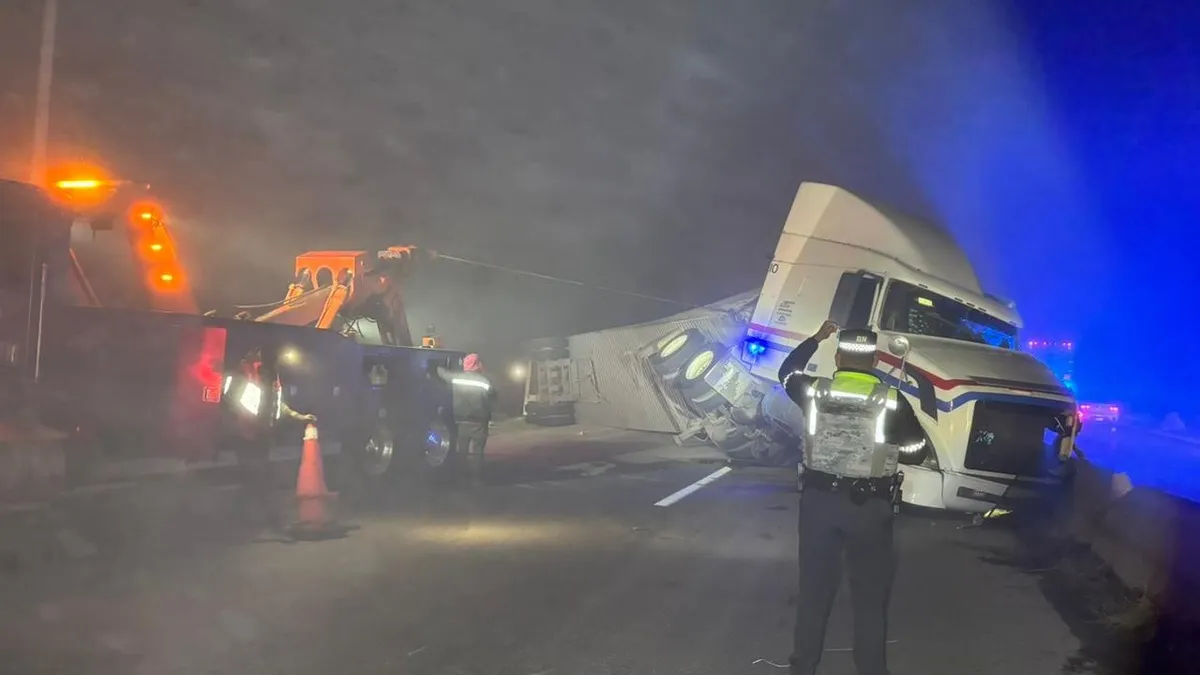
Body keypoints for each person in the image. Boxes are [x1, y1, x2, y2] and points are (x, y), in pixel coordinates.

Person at [778, 321, 915, 675]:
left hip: (819, 504)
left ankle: (803, 667)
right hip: (871, 510)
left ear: (838, 358)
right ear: (874, 361)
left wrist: (816, 337)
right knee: (870, 599)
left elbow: (787, 372)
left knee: (814, 592)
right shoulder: (893, 400)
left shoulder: (814, 392)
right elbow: (916, 449)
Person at [225, 344, 317, 528]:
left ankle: (247, 519)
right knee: (257, 478)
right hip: (246, 435)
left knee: (256, 479)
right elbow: (232, 400)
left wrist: (299, 416)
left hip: (261, 435)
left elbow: (277, 404)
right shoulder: (246, 372)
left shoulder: (273, 377)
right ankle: (262, 521)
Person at [437, 353, 496, 486]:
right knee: (478, 452)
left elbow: (443, 374)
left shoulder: (456, 379)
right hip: (479, 423)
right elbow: (492, 397)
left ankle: (461, 479)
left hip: (461, 421)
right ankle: (477, 480)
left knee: (462, 451)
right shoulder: (484, 382)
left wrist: (437, 365)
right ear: (477, 365)